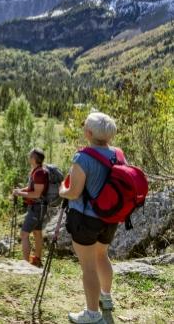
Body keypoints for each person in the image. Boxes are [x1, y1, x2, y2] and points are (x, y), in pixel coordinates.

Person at [59, 112, 120, 324]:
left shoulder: (83, 158)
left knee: (89, 267)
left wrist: (61, 191)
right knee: (102, 256)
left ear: (89, 133)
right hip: (110, 217)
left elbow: (74, 192)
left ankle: (92, 315)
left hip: (86, 219)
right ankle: (106, 297)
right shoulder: (118, 154)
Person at [12, 148, 49, 267]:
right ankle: (37, 259)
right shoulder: (36, 171)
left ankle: (25, 264)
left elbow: (37, 194)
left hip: (37, 208)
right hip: (38, 207)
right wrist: (20, 190)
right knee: (37, 233)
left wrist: (20, 193)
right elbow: (31, 189)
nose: (29, 157)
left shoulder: (39, 173)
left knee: (24, 234)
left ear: (34, 158)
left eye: (30, 155)